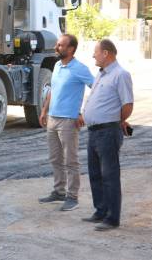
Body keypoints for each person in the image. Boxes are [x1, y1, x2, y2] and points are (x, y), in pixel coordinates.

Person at [82, 39, 133, 231]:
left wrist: (115, 120)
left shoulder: (121, 75)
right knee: (95, 174)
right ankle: (100, 211)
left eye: (96, 52)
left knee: (109, 175)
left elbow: (127, 105)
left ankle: (113, 218)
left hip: (108, 132)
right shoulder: (101, 74)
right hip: (94, 132)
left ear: (106, 53)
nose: (93, 55)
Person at [38, 34, 94, 212]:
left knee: (71, 160)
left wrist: (83, 112)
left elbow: (96, 89)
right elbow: (53, 90)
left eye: (60, 45)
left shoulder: (80, 69)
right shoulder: (57, 66)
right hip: (52, 119)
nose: (56, 48)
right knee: (55, 158)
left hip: (69, 121)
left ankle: (73, 197)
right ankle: (59, 191)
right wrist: (44, 110)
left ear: (71, 49)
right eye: (57, 45)